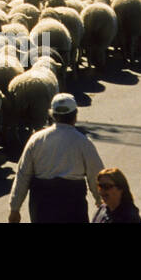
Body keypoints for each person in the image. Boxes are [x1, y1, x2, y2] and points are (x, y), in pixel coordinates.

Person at [8, 94, 103, 224]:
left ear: (52, 115)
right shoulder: (83, 143)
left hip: (42, 206)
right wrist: (101, 200)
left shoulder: (36, 140)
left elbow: (23, 174)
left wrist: (15, 208)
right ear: (75, 115)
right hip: (73, 205)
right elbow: (96, 174)